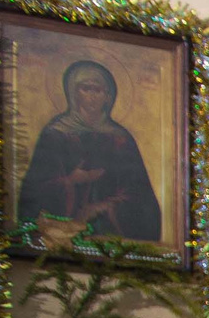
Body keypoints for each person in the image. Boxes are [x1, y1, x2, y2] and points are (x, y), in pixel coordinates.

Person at [17, 59, 162, 244]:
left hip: (109, 237)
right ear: (73, 93)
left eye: (98, 90)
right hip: (61, 238)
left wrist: (105, 207)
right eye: (86, 89)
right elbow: (33, 193)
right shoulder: (55, 134)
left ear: (108, 96)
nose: (92, 96)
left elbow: (141, 197)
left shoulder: (120, 139)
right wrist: (71, 181)